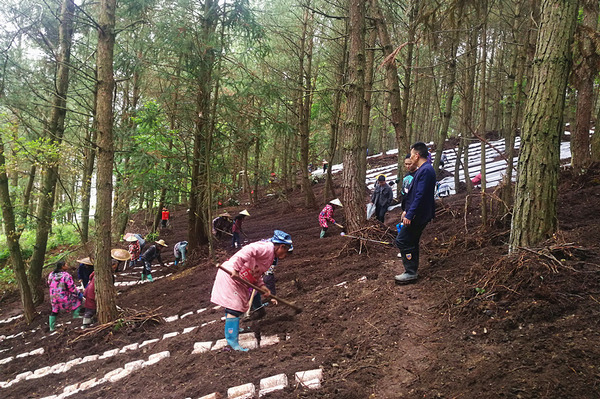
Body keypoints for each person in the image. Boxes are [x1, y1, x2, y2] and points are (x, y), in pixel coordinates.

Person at [210, 230, 293, 351]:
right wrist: (236, 269)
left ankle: (234, 329)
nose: (285, 256)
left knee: (236, 307)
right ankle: (232, 343)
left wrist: (262, 287)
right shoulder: (267, 248)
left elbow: (257, 273)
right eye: (285, 252)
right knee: (234, 306)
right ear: (282, 246)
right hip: (231, 275)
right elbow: (247, 250)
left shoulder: (271, 257)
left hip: (240, 280)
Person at [394, 141, 437, 284]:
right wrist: (406, 210)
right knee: (411, 241)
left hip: (419, 215)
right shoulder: (423, 170)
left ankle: (410, 271)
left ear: (417, 155)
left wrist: (411, 214)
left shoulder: (425, 171)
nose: (410, 158)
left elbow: (420, 195)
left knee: (403, 240)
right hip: (415, 213)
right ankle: (412, 270)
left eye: (412, 154)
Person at [48, 261, 83, 332]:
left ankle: (52, 327)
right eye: (66, 264)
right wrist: (78, 293)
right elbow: (71, 287)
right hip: (63, 297)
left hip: (53, 297)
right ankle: (76, 315)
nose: (67, 265)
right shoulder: (66, 275)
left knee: (54, 310)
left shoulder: (51, 274)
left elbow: (49, 283)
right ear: (62, 266)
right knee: (77, 300)